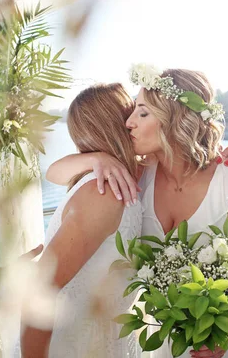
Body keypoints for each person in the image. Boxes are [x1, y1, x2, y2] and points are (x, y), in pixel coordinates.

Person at [46, 68, 228, 358]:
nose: (129, 123)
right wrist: (97, 158)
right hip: (167, 342)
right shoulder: (137, 175)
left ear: (176, 119)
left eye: (142, 113)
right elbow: (54, 173)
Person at [20, 83, 143, 358]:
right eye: (133, 112)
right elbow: (41, 288)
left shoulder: (131, 175)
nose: (137, 120)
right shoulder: (103, 193)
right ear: (119, 123)